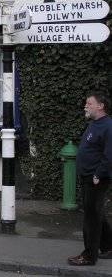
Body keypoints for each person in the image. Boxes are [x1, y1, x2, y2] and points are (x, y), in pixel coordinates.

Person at [68, 91, 112, 266]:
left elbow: (109, 155)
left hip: (96, 178)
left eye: (89, 103)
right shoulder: (95, 123)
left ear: (101, 106)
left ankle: (88, 256)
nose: (85, 106)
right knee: (96, 213)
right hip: (88, 176)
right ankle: (108, 246)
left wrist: (98, 174)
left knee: (91, 217)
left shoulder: (108, 126)